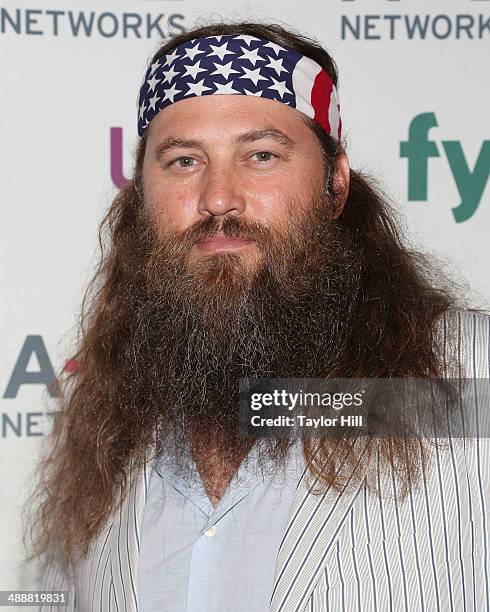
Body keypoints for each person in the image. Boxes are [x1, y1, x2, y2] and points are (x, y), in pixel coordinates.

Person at [25, 20, 489, 612]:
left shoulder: (469, 384)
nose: (219, 197)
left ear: (335, 184)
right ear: (141, 197)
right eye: (185, 160)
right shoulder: (108, 424)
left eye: (261, 155)